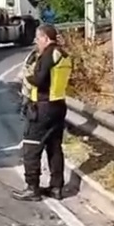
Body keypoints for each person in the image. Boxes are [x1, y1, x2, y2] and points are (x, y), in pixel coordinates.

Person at [12, 25, 72, 201]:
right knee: (54, 148)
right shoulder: (64, 55)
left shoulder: (47, 55)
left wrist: (25, 76)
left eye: (38, 39)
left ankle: (32, 188)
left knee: (31, 147)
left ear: (45, 38)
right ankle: (56, 188)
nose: (37, 43)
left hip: (43, 107)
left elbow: (39, 80)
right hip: (59, 106)